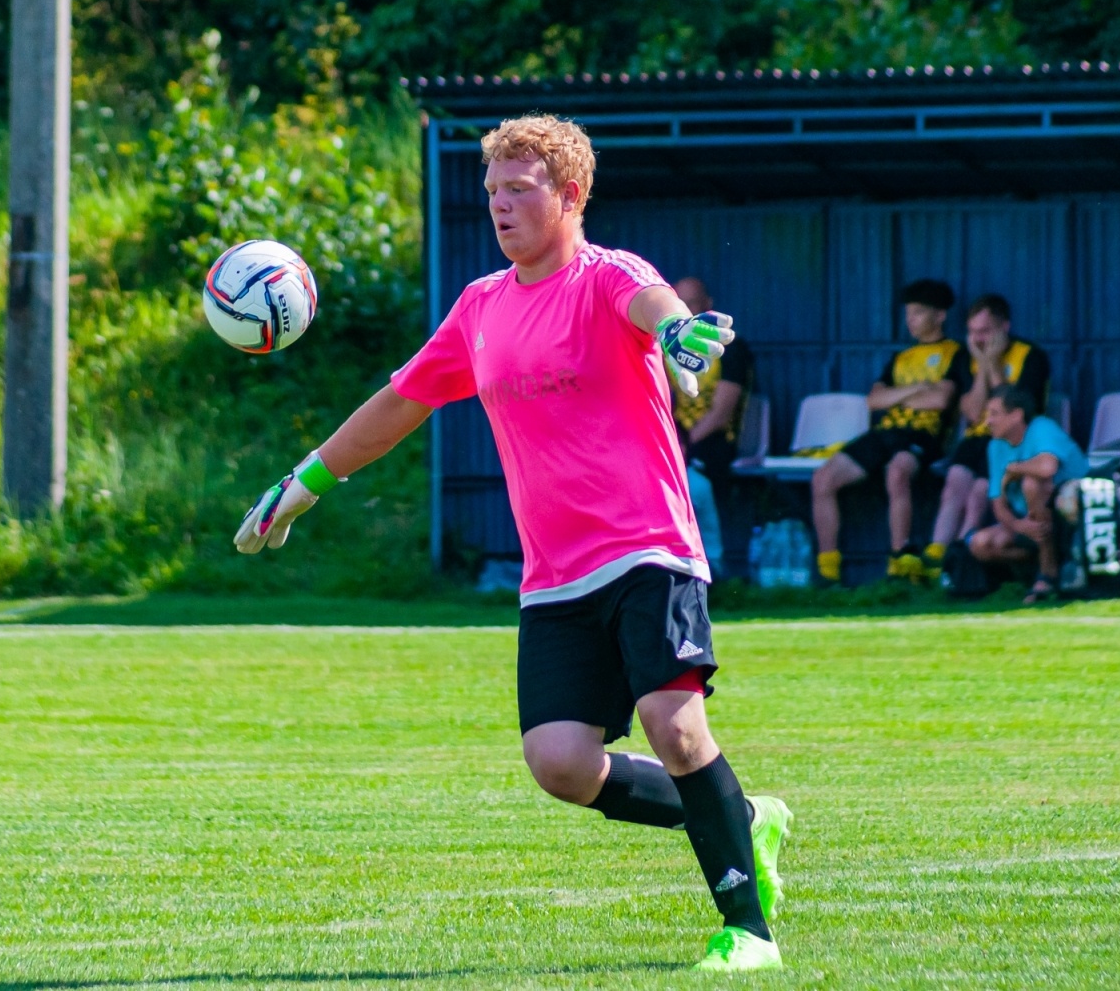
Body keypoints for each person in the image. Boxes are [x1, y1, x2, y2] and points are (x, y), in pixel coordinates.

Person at [232, 115, 791, 971]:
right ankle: (739, 816)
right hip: (554, 576)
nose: (499, 205)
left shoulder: (609, 277)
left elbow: (655, 306)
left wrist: (678, 332)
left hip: (647, 547)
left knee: (672, 727)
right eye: (491, 191)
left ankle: (748, 932)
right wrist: (302, 484)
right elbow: (397, 406)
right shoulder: (481, 308)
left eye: (518, 189)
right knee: (561, 763)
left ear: (570, 196)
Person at [810, 278, 970, 585]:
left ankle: (900, 559)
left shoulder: (956, 354)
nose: (910, 320)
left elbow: (940, 401)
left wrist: (899, 394)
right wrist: (919, 388)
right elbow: (873, 400)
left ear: (939, 316)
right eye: (908, 313)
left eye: (918, 313)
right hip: (885, 432)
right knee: (823, 479)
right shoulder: (901, 357)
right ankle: (828, 568)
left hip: (922, 436)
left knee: (897, 472)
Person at [924, 294, 1051, 580]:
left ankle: (959, 558)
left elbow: (1015, 410)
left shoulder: (1031, 356)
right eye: (972, 333)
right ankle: (936, 553)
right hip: (978, 435)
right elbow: (971, 412)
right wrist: (981, 367)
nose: (978, 339)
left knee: (980, 492)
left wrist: (993, 364)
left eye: (985, 332)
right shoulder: (966, 358)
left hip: (1014, 440)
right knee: (954, 483)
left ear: (1004, 326)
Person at [969, 384, 1089, 604]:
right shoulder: (995, 446)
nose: (987, 422)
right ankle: (1044, 561)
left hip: (1069, 518)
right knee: (980, 545)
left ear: (1016, 415)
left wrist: (1013, 469)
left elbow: (1046, 468)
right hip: (1033, 523)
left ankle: (1048, 572)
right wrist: (1019, 526)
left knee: (1032, 483)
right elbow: (998, 504)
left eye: (994, 414)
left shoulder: (1042, 427)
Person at [670, 276, 754, 576]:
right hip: (676, 439)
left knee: (695, 486)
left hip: (715, 440)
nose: (687, 311)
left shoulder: (732, 348)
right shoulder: (669, 348)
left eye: (692, 303)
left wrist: (683, 445)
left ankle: (712, 566)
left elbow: (720, 414)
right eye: (680, 303)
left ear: (708, 306)